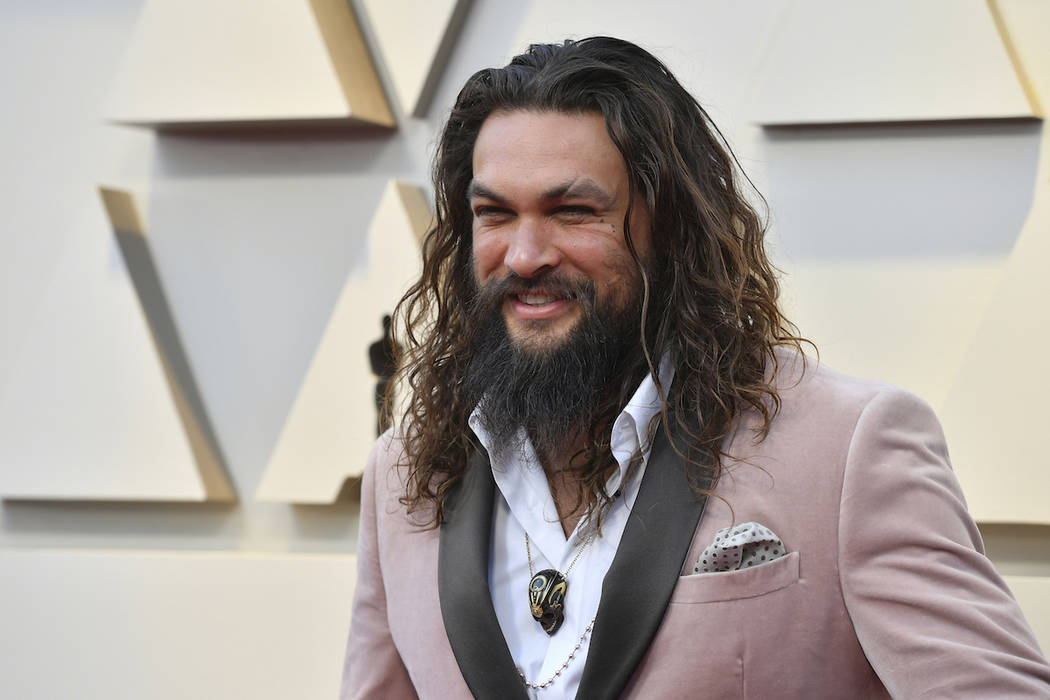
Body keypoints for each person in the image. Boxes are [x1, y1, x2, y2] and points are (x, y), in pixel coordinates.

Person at [341, 37, 1050, 698]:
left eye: (574, 211)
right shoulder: (400, 478)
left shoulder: (848, 449)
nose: (525, 256)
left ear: (671, 225)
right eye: (495, 214)